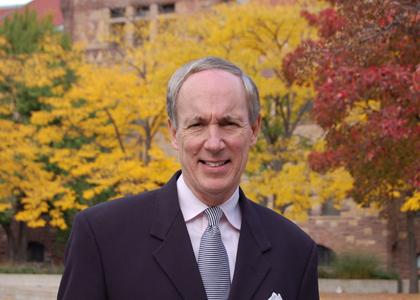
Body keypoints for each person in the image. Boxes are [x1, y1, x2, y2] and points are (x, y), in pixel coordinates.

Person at [58, 57, 319, 300]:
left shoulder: (295, 251)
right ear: (174, 132)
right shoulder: (102, 236)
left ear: (253, 129)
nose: (214, 143)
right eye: (197, 124)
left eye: (229, 123)